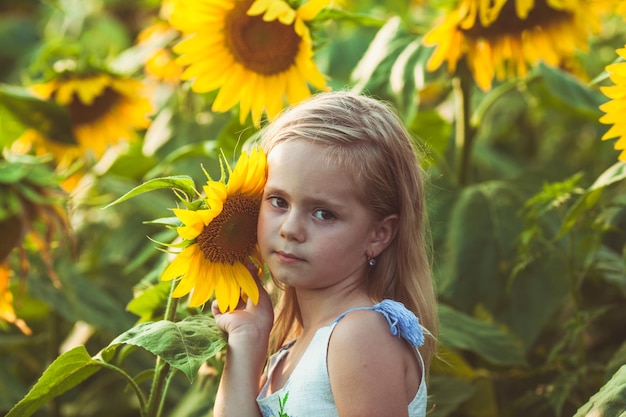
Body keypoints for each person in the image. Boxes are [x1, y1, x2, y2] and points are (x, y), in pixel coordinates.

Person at [212, 91, 438, 417]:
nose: (290, 228)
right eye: (278, 201)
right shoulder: (290, 354)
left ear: (379, 235)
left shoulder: (359, 336)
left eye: (323, 213)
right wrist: (248, 337)